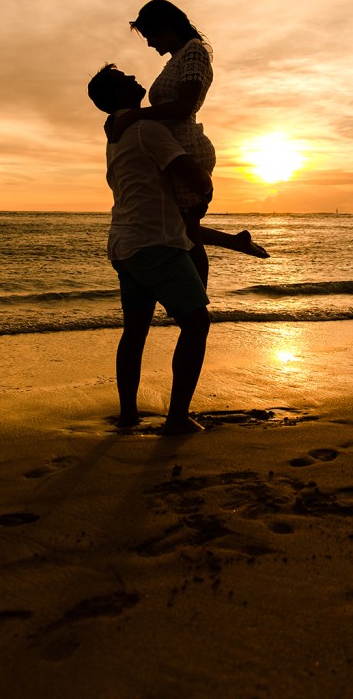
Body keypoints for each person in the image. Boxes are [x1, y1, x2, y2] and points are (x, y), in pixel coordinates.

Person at [106, 0, 268, 287]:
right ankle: (235, 244)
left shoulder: (193, 53)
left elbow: (184, 105)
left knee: (189, 234)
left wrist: (133, 115)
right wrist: (124, 116)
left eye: (150, 35)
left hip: (187, 147)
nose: (149, 44)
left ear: (166, 26)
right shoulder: (180, 56)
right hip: (174, 145)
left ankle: (197, 307)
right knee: (181, 225)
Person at [88, 63, 212, 435]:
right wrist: (203, 186)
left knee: (135, 330)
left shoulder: (116, 135)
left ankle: (128, 415)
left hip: (125, 244)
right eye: (125, 79)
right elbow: (196, 178)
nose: (134, 78)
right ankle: (176, 419)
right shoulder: (146, 129)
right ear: (118, 95)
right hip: (156, 242)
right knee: (196, 324)